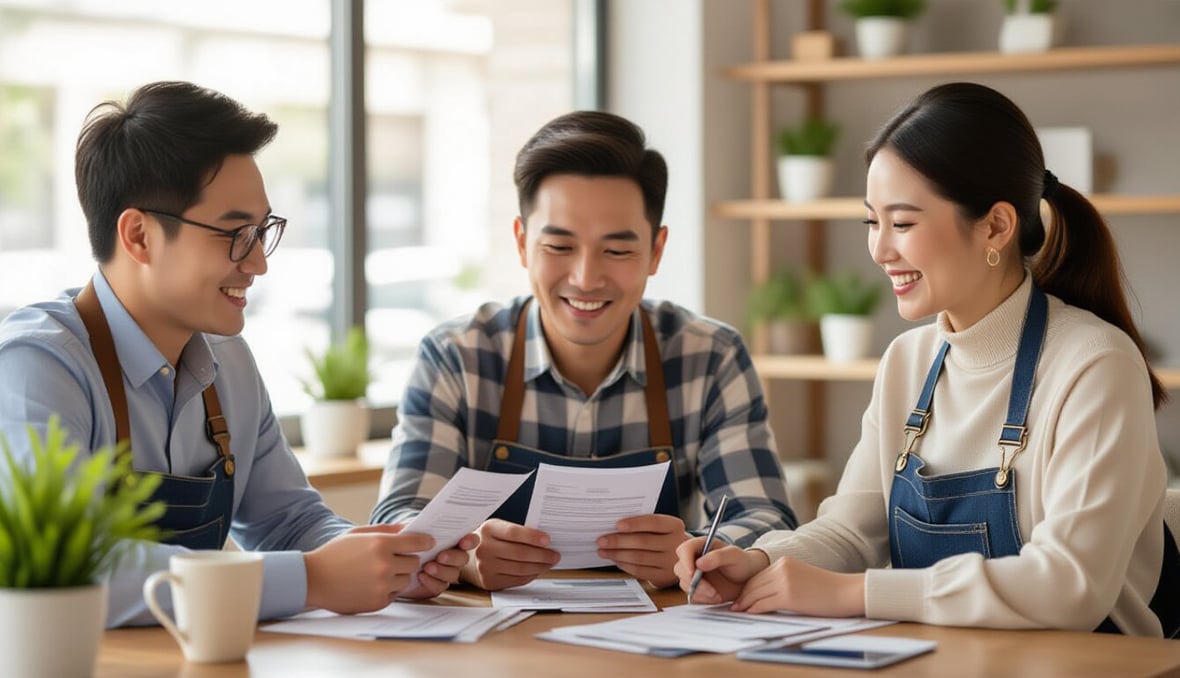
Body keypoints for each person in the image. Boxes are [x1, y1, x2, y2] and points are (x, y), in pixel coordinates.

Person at [675, 82, 1180, 638]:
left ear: (995, 225)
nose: (879, 249)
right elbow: (852, 532)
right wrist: (760, 561)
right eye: (872, 222)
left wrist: (856, 593)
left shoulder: (1094, 365)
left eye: (903, 223)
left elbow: (1069, 587)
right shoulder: (908, 361)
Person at [0, 81, 475, 628]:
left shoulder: (230, 361)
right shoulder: (37, 366)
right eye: (234, 233)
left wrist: (385, 561)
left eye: (261, 231)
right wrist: (315, 579)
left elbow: (288, 521)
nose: (258, 263)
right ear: (139, 237)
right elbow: (71, 564)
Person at [371, 110, 797, 590]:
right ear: (521, 242)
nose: (586, 278)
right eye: (559, 247)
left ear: (656, 251)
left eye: (616, 252)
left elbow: (768, 522)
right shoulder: (457, 356)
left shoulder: (711, 357)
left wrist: (695, 553)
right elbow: (400, 520)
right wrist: (466, 555)